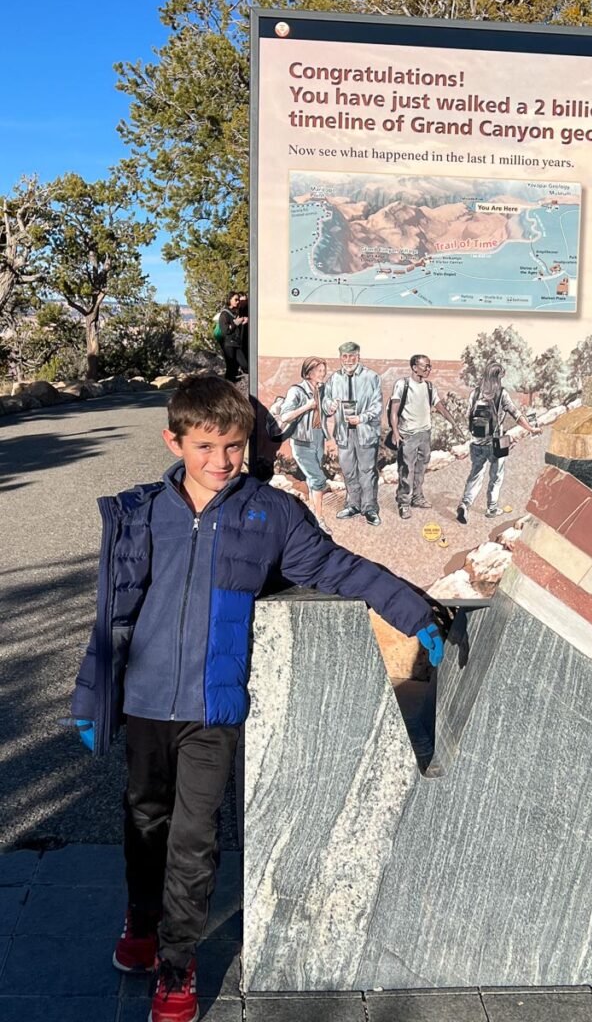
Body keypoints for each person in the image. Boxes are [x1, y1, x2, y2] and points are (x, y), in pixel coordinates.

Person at [69, 376, 444, 1022]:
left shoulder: (269, 516)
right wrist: (89, 694)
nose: (221, 461)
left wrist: (412, 609)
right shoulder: (141, 513)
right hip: (146, 704)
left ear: (251, 445)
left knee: (194, 839)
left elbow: (338, 567)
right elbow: (112, 618)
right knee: (144, 819)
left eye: (234, 446)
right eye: (206, 445)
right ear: (175, 440)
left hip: (213, 710)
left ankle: (178, 967)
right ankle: (143, 912)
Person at [456, 360, 542, 524]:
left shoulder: (475, 394)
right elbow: (516, 415)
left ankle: (465, 503)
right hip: (497, 442)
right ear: (498, 377)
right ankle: (492, 508)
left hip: (477, 443)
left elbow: (468, 416)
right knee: (496, 476)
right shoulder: (501, 394)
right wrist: (531, 429)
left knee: (475, 475)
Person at [390, 354, 462, 521]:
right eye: (425, 366)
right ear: (415, 367)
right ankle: (404, 503)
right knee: (406, 469)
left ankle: (417, 497)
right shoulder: (402, 385)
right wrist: (395, 432)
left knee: (421, 468)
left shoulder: (430, 387)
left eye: (429, 366)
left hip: (425, 434)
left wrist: (455, 424)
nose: (429, 369)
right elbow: (394, 411)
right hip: (407, 434)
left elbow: (441, 408)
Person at [323, 341, 383, 526]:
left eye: (352, 356)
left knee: (366, 471)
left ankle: (370, 508)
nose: (348, 360)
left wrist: (362, 418)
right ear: (340, 357)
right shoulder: (334, 379)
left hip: (365, 431)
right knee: (348, 470)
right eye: (345, 356)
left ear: (359, 356)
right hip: (343, 432)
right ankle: (352, 505)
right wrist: (330, 406)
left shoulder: (371, 377)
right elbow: (325, 401)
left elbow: (378, 405)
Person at [279, 356, 334, 534]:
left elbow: (323, 411)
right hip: (302, 441)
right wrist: (306, 406)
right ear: (309, 372)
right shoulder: (296, 391)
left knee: (312, 480)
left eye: (323, 371)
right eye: (319, 371)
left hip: (318, 438)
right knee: (318, 479)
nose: (323, 373)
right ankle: (319, 519)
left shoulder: (321, 389)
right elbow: (285, 416)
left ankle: (311, 519)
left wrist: (330, 408)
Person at [216, 291, 248, 383]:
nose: (238, 301)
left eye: (238, 300)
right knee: (231, 368)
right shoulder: (224, 314)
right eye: (236, 299)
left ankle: (233, 385)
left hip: (236, 344)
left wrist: (243, 322)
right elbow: (225, 330)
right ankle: (227, 388)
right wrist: (236, 322)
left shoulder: (235, 313)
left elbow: (236, 329)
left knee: (244, 365)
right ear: (229, 300)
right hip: (228, 345)